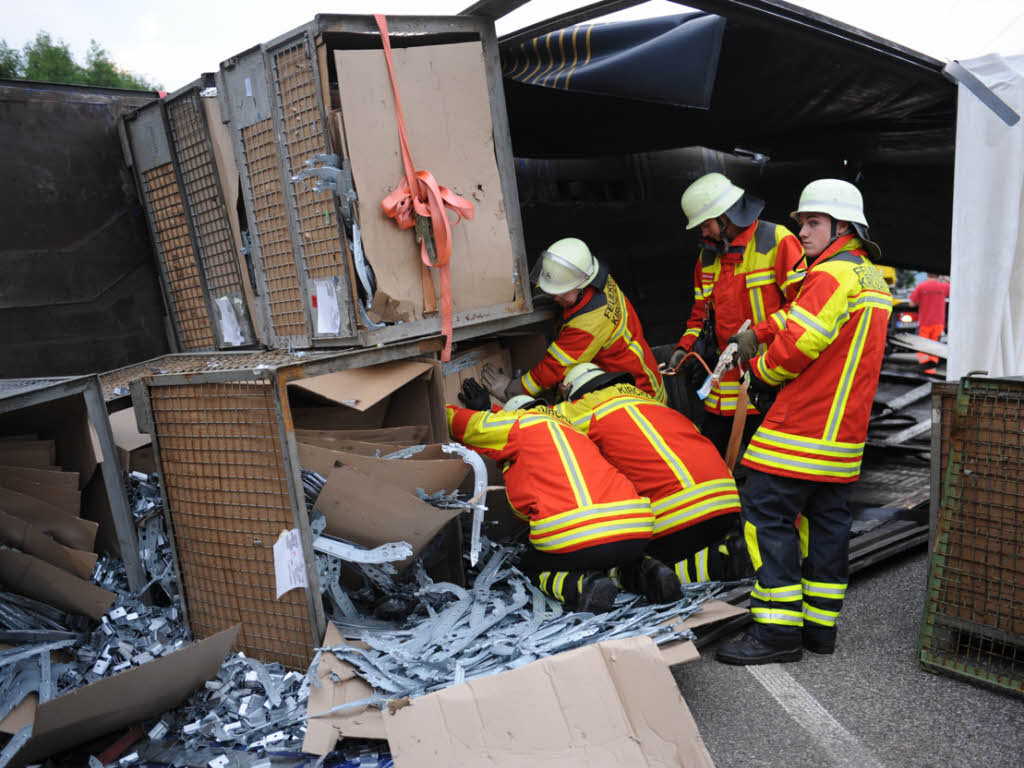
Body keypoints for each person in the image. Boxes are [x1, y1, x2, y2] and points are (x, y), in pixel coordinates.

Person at [715, 179, 892, 665]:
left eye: (814, 222)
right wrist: (759, 330)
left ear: (842, 226)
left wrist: (757, 369)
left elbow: (798, 346)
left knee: (764, 513)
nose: (804, 230)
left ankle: (775, 633)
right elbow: (797, 316)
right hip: (844, 436)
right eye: (803, 222)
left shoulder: (830, 274)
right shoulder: (869, 278)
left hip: (803, 428)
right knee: (828, 524)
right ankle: (818, 629)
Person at [448, 382, 678, 612]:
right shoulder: (575, 430)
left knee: (530, 565)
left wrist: (437, 409)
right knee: (610, 556)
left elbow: (468, 427)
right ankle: (651, 574)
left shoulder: (518, 427)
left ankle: (584, 587)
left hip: (575, 535)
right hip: (635, 530)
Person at [554, 363, 747, 587]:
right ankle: (724, 556)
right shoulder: (650, 402)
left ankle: (713, 565)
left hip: (678, 517)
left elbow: (536, 422)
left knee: (618, 565)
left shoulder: (581, 409)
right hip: (726, 503)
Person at [668, 173, 806, 458]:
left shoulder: (777, 241)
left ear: (726, 216)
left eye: (706, 225)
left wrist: (758, 334)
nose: (703, 234)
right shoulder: (707, 259)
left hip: (769, 382)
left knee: (770, 471)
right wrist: (684, 349)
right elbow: (699, 317)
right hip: (723, 388)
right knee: (711, 464)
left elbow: (803, 308)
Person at [481, 237, 665, 405]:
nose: (555, 297)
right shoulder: (592, 273)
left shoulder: (588, 324)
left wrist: (511, 390)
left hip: (640, 396)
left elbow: (553, 368)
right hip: (637, 376)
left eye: (562, 292)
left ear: (581, 286)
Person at [908, 273, 949, 370]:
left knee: (923, 346)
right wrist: (946, 279)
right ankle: (932, 369)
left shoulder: (921, 286)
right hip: (939, 322)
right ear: (938, 276)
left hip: (924, 322)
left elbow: (911, 304)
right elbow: (956, 288)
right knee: (934, 346)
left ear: (927, 274)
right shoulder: (943, 286)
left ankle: (924, 368)